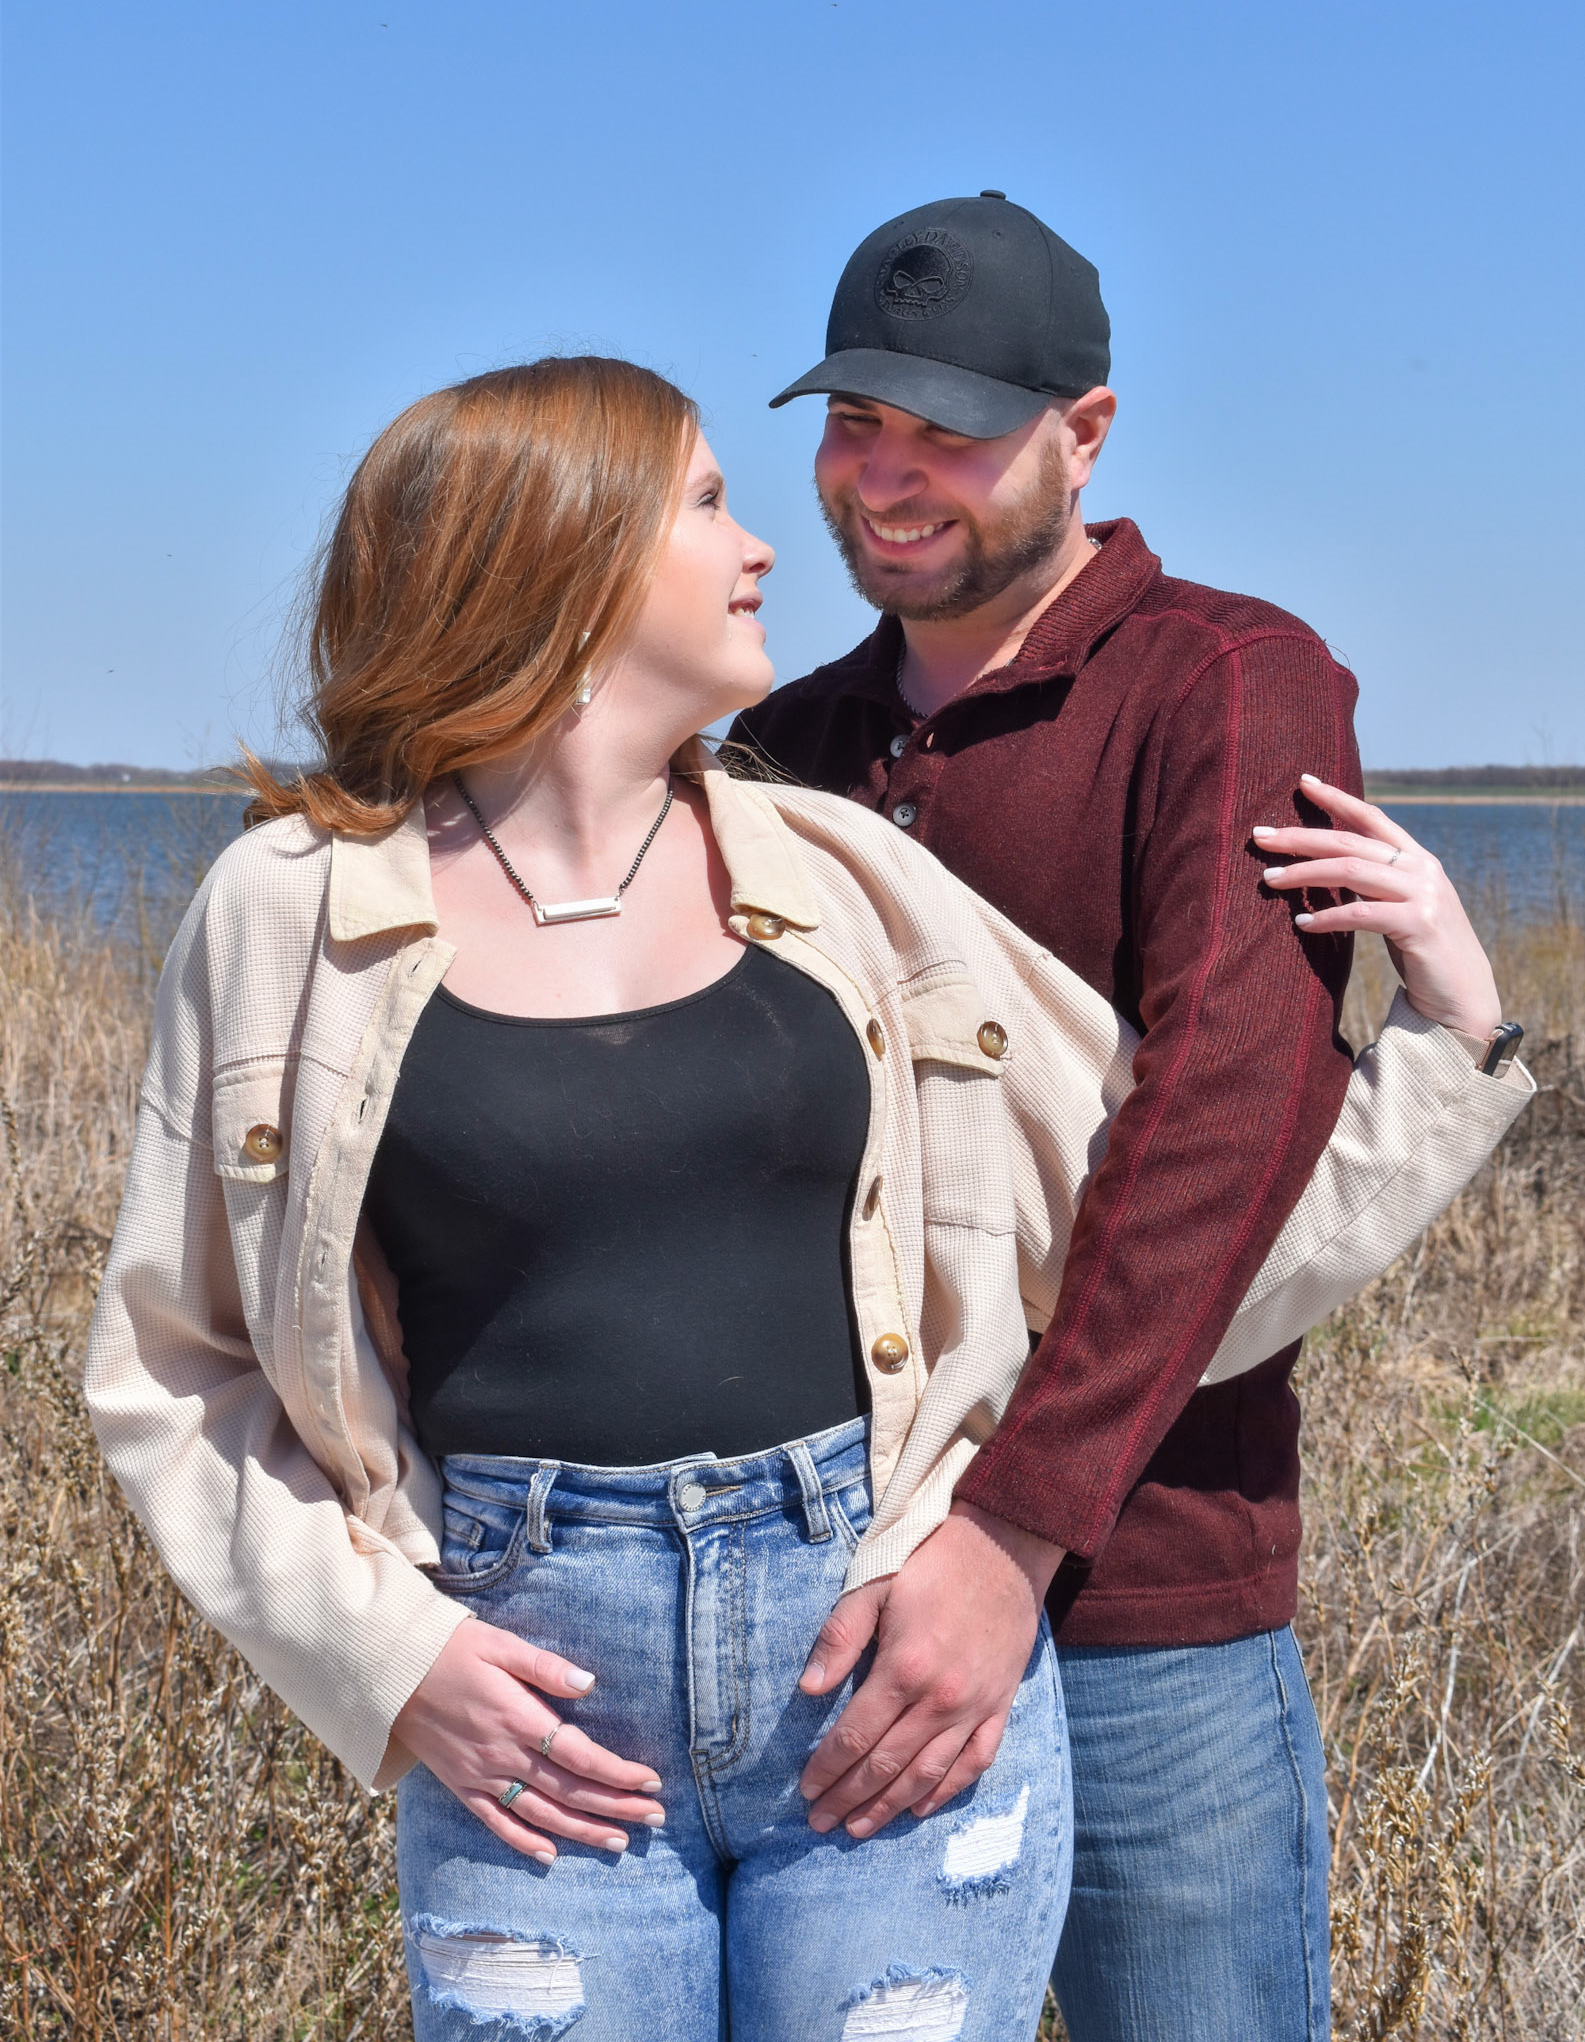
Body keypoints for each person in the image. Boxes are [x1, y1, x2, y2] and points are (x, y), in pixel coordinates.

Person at [84, 357, 1527, 2042]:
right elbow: (175, 1368)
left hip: (878, 1669)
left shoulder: (848, 884)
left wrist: (1449, 1048)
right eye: (706, 503)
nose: (764, 543)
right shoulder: (284, 915)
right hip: (533, 1725)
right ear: (558, 555)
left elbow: (1160, 1253)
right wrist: (386, 1661)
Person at [731, 193, 1531, 2041]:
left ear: (1082, 431)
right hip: (833, 1602)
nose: (885, 476)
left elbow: (1216, 1128)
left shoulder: (1225, 679)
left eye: (948, 429)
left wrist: (1009, 1537)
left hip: (1143, 1604)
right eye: (855, 421)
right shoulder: (789, 746)